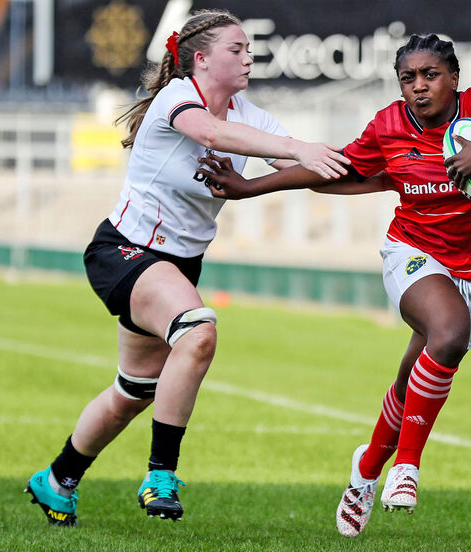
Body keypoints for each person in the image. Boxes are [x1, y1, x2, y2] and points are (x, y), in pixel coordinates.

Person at [198, 34, 471, 537]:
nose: (418, 87)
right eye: (408, 78)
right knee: (447, 333)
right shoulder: (389, 125)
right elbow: (336, 171)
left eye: (430, 75)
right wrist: (249, 187)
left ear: (454, 78)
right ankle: (408, 467)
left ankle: (367, 470)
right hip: (413, 252)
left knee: (412, 380)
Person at [24, 9, 351, 527]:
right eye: (237, 49)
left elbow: (308, 169)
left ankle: (57, 478)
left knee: (132, 393)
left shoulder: (252, 116)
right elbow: (216, 136)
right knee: (199, 331)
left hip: (175, 268)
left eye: (248, 49)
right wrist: (297, 147)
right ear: (201, 59)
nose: (249, 57)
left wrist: (393, 169)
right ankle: (160, 475)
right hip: (125, 253)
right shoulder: (179, 98)